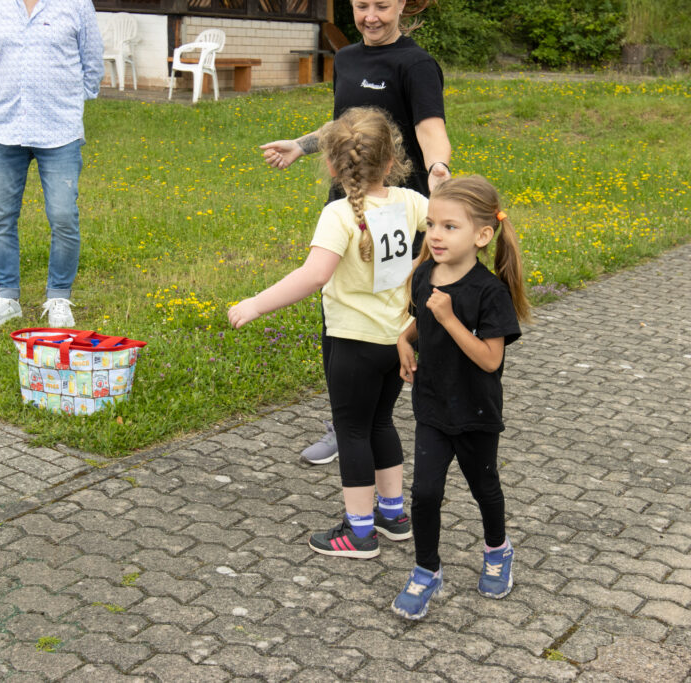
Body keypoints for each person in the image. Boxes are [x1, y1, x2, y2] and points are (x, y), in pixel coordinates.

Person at [260, 0, 452, 465]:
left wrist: (440, 170)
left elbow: (430, 129)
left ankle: (370, 422)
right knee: (338, 307)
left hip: (395, 207)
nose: (370, 16)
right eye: (362, 5)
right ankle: (345, 422)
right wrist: (303, 146)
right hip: (347, 204)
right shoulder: (346, 59)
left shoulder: (417, 64)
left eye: (382, 6)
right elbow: (342, 125)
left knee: (389, 306)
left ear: (401, 4)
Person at [229, 107, 427, 558]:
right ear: (394, 161)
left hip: (353, 344)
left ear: (333, 166)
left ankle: (359, 532)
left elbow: (313, 275)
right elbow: (441, 228)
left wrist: (254, 304)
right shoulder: (411, 202)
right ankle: (393, 515)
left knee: (352, 430)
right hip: (397, 342)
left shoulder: (340, 214)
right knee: (380, 423)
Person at [390, 175, 531, 619]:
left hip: (475, 411)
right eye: (432, 224)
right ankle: (426, 569)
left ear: (482, 235)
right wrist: (404, 339)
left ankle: (497, 550)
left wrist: (451, 320)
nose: (435, 234)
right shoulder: (425, 273)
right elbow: (423, 320)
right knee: (424, 494)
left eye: (450, 227)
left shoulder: (490, 292)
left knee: (484, 487)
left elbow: (490, 360)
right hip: (432, 406)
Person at [0, 0, 104, 328]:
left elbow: (92, 61)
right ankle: (6, 297)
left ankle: (58, 297)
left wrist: (70, 101)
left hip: (59, 129)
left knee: (63, 217)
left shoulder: (76, 4)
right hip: (7, 125)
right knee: (0, 216)